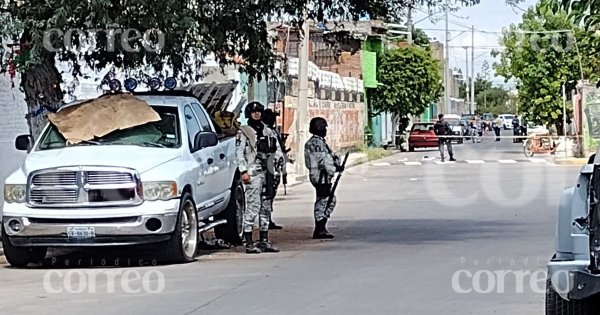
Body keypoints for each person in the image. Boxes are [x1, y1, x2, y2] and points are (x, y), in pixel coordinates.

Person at [236, 101, 284, 253]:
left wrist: (276, 167)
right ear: (248, 114)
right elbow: (239, 153)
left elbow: (277, 151)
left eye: (259, 111)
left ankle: (264, 240)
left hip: (268, 172)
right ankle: (249, 242)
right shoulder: (244, 133)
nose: (257, 114)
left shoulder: (268, 131)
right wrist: (243, 171)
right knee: (252, 206)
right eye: (253, 111)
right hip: (253, 172)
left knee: (266, 207)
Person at [304, 117, 344, 239]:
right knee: (324, 200)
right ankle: (320, 227)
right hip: (321, 176)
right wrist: (334, 168)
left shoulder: (317, 142)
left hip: (321, 175)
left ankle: (321, 225)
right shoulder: (316, 143)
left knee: (328, 199)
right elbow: (324, 161)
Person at [261, 108, 285, 230]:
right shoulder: (265, 131)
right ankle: (265, 221)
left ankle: (268, 219)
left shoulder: (272, 131)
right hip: (269, 168)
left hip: (276, 167)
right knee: (267, 194)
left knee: (271, 194)